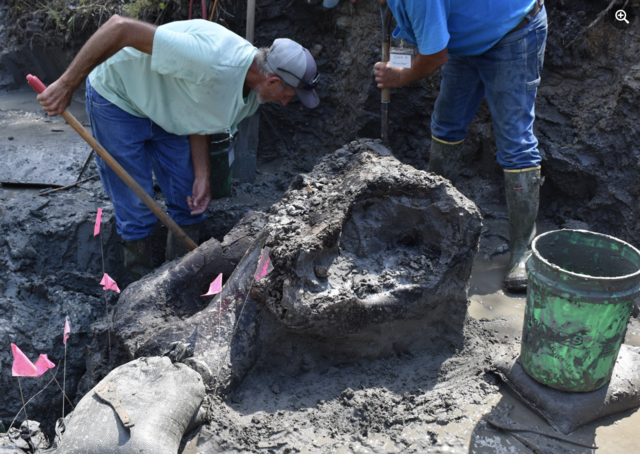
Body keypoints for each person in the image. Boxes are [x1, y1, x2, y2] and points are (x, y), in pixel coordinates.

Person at [37, 15, 320, 280]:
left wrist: (202, 174)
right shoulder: (211, 60)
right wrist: (66, 84)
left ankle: (177, 283)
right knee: (136, 208)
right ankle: (138, 293)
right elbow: (119, 27)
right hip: (120, 98)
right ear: (272, 80)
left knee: (190, 202)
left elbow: (202, 113)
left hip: (169, 107)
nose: (285, 102)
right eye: (288, 95)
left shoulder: (250, 92)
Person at [374, 0, 547, 292]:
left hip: (513, 32)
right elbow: (408, 32)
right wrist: (397, 65)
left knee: (514, 141)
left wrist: (400, 77)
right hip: (466, 42)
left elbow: (435, 56)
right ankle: (435, 219)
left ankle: (523, 251)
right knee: (446, 124)